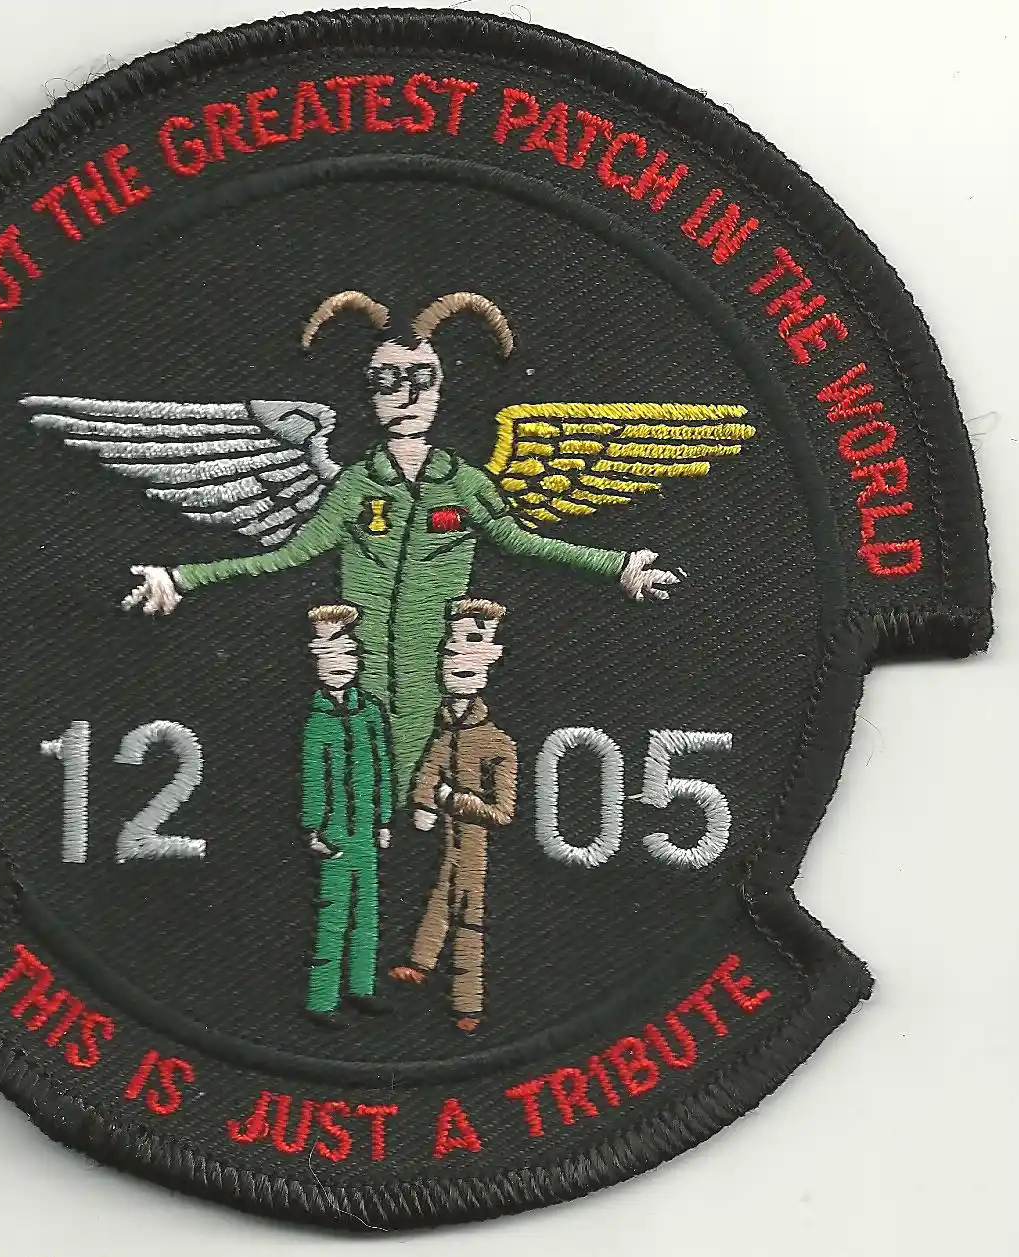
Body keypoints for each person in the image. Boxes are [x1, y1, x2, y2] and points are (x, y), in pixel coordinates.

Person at [126, 291, 679, 799]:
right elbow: (290, 555)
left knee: (427, 786)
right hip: (362, 669)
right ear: (369, 392)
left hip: (440, 668)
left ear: (440, 388)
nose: (407, 396)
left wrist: (619, 566)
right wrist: (182, 577)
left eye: (421, 379)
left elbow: (519, 542)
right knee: (370, 785)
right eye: (387, 381)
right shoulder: (355, 486)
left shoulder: (463, 484)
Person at [390, 598, 516, 1034]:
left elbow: (503, 812)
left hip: (474, 843)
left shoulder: (497, 743)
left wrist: (451, 799)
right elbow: (430, 767)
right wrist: (424, 801)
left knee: (469, 915)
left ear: (492, 657)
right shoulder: (446, 730)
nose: (459, 657)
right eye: (451, 648)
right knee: (442, 898)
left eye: (472, 645)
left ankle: (467, 1003)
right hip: (448, 838)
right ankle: (421, 963)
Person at [299, 604, 393, 1027]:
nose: (340, 664)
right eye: (329, 655)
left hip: (367, 831)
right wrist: (313, 829)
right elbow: (312, 778)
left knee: (367, 913)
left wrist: (385, 819)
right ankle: (321, 1000)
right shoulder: (316, 721)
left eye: (347, 654)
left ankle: (361, 987)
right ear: (316, 662)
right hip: (335, 833)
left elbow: (383, 767)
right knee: (334, 913)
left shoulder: (370, 712)